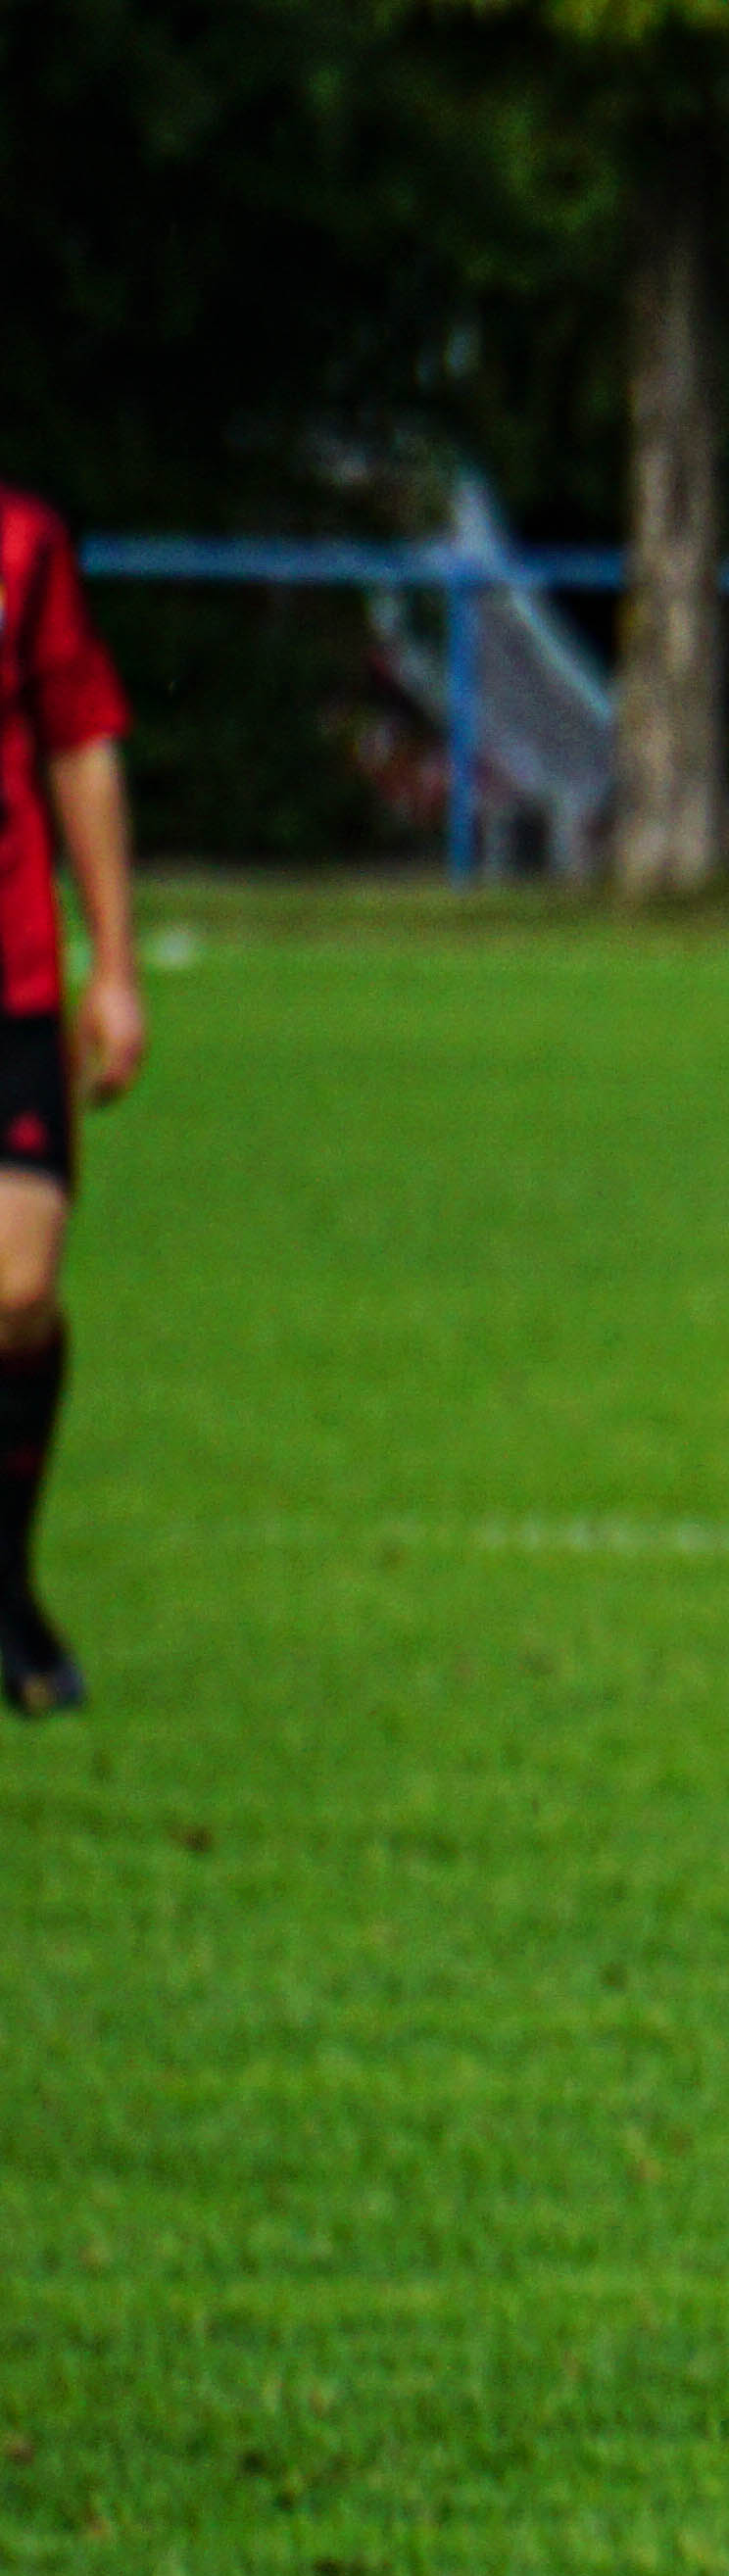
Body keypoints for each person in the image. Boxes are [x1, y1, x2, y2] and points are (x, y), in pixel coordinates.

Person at [0, 471, 143, 1721]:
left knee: (21, 1289)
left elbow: (79, 746)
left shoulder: (23, 544)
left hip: (13, 984)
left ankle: (7, 1586)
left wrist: (117, 965)